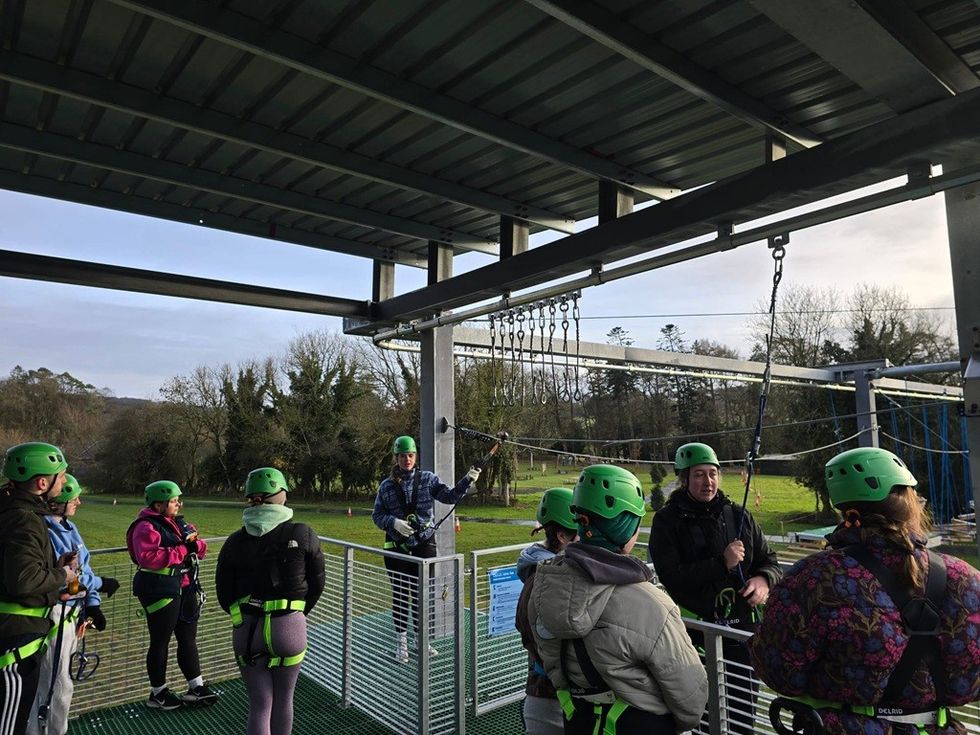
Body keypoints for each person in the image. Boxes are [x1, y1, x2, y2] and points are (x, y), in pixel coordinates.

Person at [749, 447, 980, 735]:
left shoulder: (814, 579)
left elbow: (779, 671)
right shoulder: (966, 578)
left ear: (849, 513)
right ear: (909, 502)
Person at [527, 465, 708, 735]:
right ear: (625, 525)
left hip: (578, 722)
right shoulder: (651, 604)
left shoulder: (543, 587)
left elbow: (553, 664)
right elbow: (691, 700)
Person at [648, 442, 781, 735]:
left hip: (741, 633)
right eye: (698, 475)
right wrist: (722, 564)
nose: (707, 482)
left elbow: (769, 561)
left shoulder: (738, 515)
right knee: (701, 714)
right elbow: (672, 577)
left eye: (712, 474)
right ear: (684, 479)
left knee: (742, 713)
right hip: (694, 634)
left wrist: (763, 580)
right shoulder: (668, 522)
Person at [215, 467, 324, 735]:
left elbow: (223, 592)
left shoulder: (234, 542)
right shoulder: (302, 533)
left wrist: (242, 615)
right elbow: (317, 583)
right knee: (284, 701)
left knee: (259, 705)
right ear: (281, 495)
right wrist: (297, 613)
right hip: (288, 627)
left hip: (247, 630)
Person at [372, 435, 480, 663]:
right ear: (396, 458)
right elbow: (377, 515)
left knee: (422, 596)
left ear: (415, 456)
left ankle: (422, 642)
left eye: (410, 455)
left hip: (424, 545)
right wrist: (393, 523)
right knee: (401, 595)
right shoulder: (387, 486)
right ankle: (402, 645)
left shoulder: (428, 480)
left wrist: (467, 481)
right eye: (402, 456)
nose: (407, 460)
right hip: (396, 548)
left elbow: (449, 497)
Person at [27, 474, 119, 735]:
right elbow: (68, 576)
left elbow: (82, 569)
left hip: (71, 613)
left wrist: (92, 604)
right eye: (73, 497)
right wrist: (99, 584)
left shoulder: (68, 527)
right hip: (57, 614)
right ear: (57, 502)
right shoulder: (46, 530)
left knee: (57, 682)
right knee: (55, 684)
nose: (78, 501)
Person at [0, 442, 78, 735]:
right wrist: (63, 573)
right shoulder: (23, 519)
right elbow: (22, 580)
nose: (65, 480)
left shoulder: (15, 512)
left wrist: (54, 569)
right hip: (15, 639)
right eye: (61, 475)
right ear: (42, 482)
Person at [126, 480, 217, 710]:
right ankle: (158, 693)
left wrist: (195, 546)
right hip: (159, 588)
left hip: (185, 586)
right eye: (174, 501)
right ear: (159, 504)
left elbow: (200, 546)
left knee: (187, 638)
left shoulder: (178, 523)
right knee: (160, 641)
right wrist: (185, 549)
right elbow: (148, 557)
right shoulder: (145, 527)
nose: (178, 505)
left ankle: (196, 686)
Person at [515, 487, 578, 735]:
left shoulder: (538, 570)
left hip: (544, 690)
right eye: (580, 535)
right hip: (552, 695)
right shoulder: (548, 580)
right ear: (562, 536)